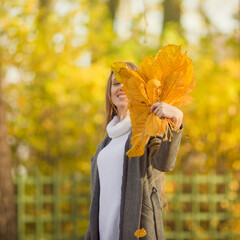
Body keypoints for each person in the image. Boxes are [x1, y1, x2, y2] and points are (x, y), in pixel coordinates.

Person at [84, 62, 183, 240]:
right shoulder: (105, 144)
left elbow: (164, 163)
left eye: (128, 82)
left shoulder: (147, 129)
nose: (121, 87)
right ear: (109, 92)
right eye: (116, 83)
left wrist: (176, 121)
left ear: (140, 90)